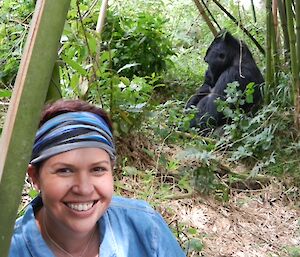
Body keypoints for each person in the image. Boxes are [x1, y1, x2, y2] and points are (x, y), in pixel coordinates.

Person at [9, 99, 187, 257]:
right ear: (35, 177)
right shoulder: (8, 248)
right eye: (64, 170)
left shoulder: (146, 229)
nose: (84, 188)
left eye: (98, 169)